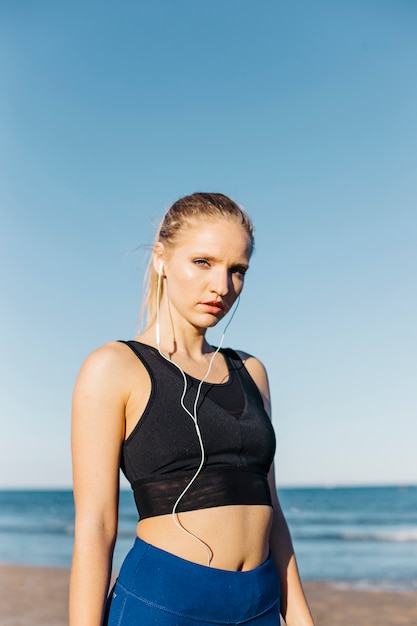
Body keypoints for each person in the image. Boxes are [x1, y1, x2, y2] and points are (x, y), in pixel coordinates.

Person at [69, 192, 315, 626]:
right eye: (203, 262)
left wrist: (300, 618)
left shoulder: (251, 371)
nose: (222, 286)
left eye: (237, 270)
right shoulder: (114, 367)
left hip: (258, 604)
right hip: (163, 604)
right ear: (162, 259)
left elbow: (272, 511)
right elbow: (96, 526)